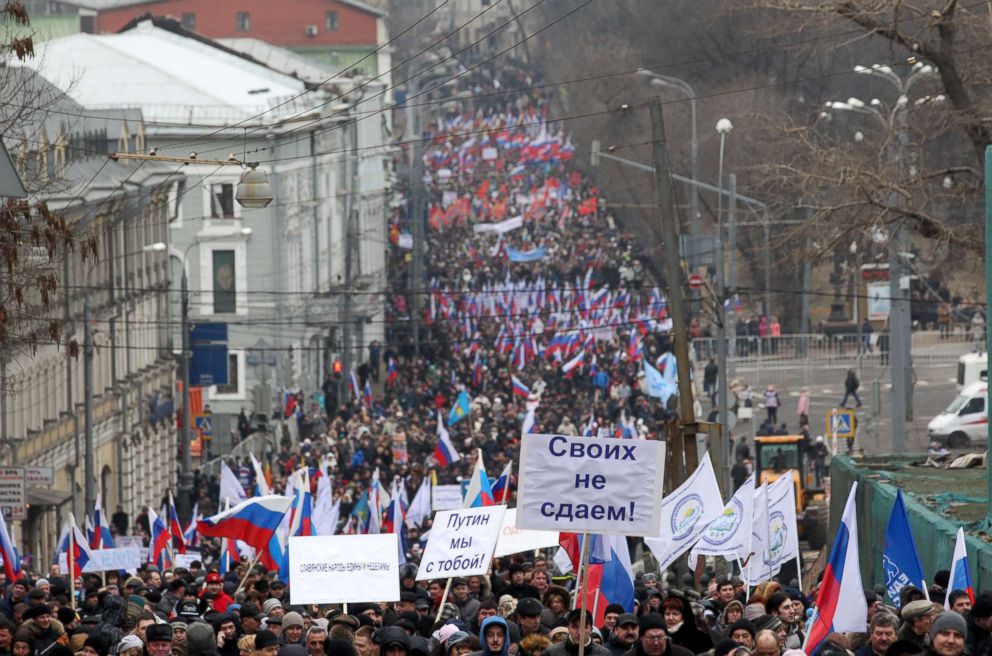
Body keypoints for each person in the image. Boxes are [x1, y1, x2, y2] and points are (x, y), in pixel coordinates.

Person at [542, 609, 610, 656]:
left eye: (584, 627)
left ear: (591, 629)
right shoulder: (552, 652)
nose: (580, 632)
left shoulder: (604, 654)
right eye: (574, 627)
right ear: (568, 628)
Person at [624, 613, 692, 656]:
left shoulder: (684, 654)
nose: (656, 643)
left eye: (660, 637)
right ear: (641, 638)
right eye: (651, 638)